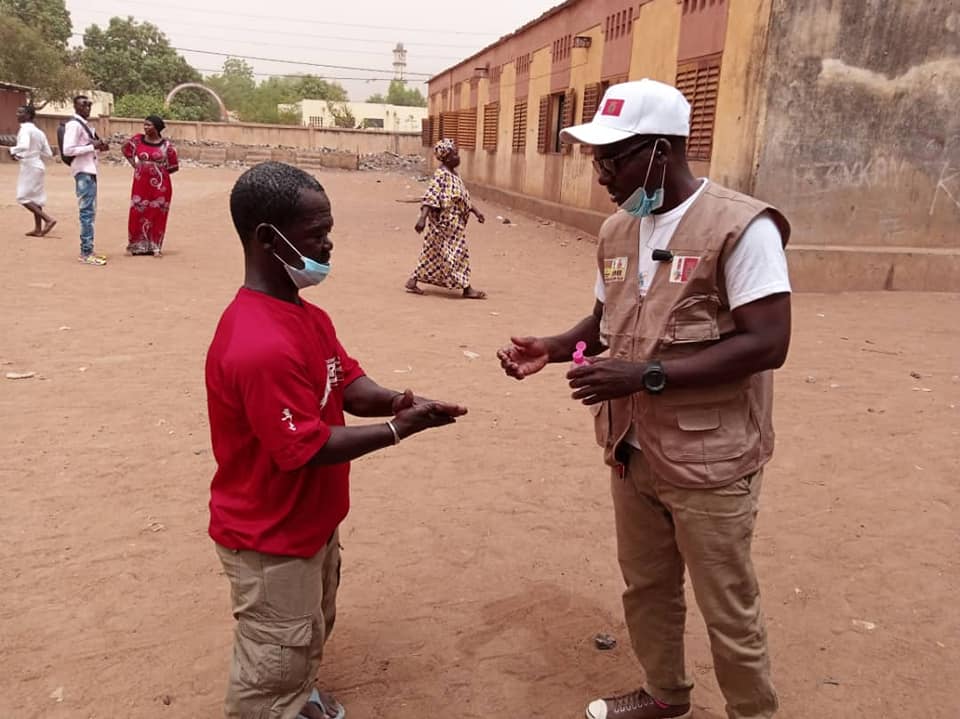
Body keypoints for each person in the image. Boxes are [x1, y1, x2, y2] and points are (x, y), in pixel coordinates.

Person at [497, 80, 792, 719]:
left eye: (615, 157)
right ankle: (665, 694)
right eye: (596, 158)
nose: (601, 173)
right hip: (632, 449)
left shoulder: (742, 227)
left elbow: (768, 344)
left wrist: (643, 376)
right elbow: (605, 324)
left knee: (727, 605)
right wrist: (552, 346)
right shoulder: (617, 230)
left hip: (710, 459)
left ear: (661, 150)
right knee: (648, 586)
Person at [206, 161, 468, 719]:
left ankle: (296, 698)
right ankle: (278, 705)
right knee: (274, 653)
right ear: (265, 238)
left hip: (309, 524)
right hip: (270, 535)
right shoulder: (258, 342)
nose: (328, 243)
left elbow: (346, 382)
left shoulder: (306, 316)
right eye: (314, 232)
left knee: (306, 627)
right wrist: (399, 430)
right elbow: (302, 450)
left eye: (328, 229)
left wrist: (397, 400)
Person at [404, 138, 487, 299]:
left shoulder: (454, 175)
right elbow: (430, 197)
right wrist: (422, 218)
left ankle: (412, 281)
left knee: (432, 253)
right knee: (458, 253)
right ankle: (466, 288)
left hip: (453, 223)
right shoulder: (441, 175)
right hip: (445, 223)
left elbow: (463, 197)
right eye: (455, 154)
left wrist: (476, 212)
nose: (458, 157)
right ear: (447, 157)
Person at [62, 95, 110, 266]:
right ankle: (86, 253)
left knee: (90, 212)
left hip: (89, 171)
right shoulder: (74, 125)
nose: (87, 108)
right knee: (87, 213)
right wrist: (92, 146)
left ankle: (88, 249)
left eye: (89, 105)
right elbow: (68, 149)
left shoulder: (85, 125)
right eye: (83, 105)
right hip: (83, 172)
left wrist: (99, 147)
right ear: (75, 107)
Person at [121, 115, 179, 256]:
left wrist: (158, 172)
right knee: (137, 211)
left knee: (157, 214)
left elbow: (173, 166)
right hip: (140, 183)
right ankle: (135, 245)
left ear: (157, 128)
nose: (146, 127)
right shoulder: (137, 140)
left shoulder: (166, 146)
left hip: (161, 186)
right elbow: (125, 150)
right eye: (145, 124)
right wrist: (137, 166)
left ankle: (155, 246)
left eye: (149, 125)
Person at [8, 104, 57, 237]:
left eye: (20, 112)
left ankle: (48, 219)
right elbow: (48, 152)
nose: (17, 114)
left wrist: (12, 150)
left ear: (28, 115)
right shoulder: (39, 132)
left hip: (29, 166)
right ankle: (38, 228)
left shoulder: (25, 130)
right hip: (38, 165)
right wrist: (30, 153)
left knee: (22, 197)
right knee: (36, 198)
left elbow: (23, 145)